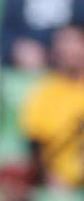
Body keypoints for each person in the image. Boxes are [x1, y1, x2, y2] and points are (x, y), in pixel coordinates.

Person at [20, 24, 84, 188]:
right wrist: (47, 177)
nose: (70, 50)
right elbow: (34, 144)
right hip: (58, 179)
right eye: (64, 43)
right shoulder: (44, 91)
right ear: (55, 51)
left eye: (76, 42)